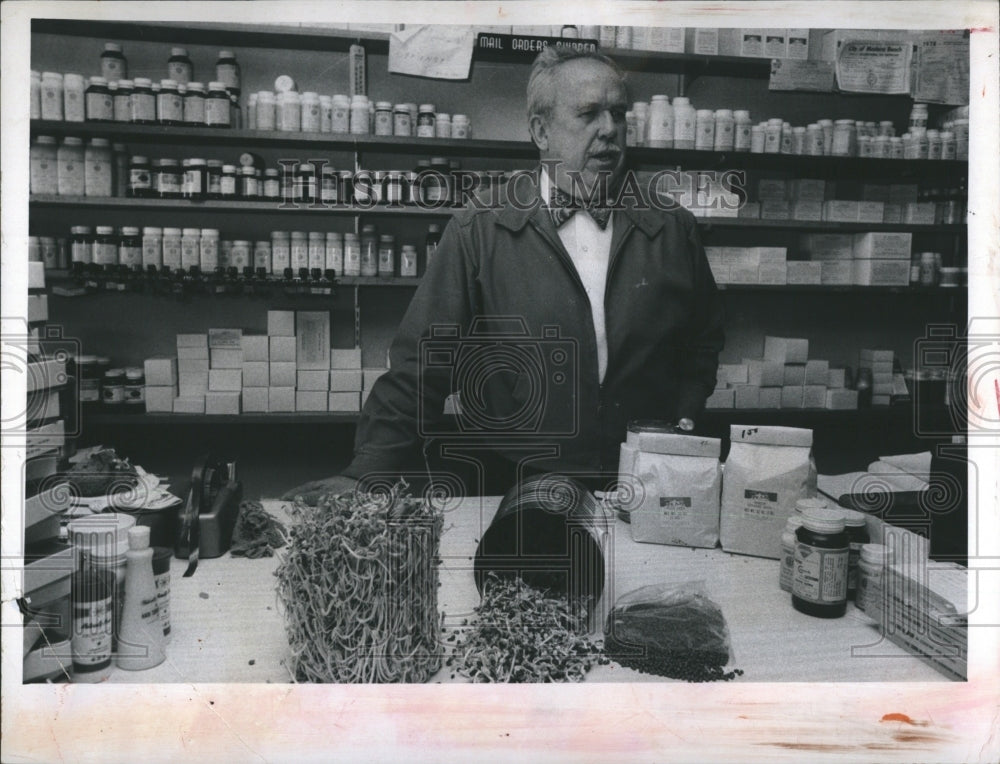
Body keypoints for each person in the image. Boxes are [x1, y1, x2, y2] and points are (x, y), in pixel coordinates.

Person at [285, 46, 724, 502]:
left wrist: (683, 421)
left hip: (643, 477)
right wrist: (367, 471)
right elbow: (423, 361)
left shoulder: (672, 228)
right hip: (519, 479)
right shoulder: (483, 227)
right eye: (588, 113)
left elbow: (703, 340)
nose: (609, 129)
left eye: (617, 112)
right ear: (540, 130)